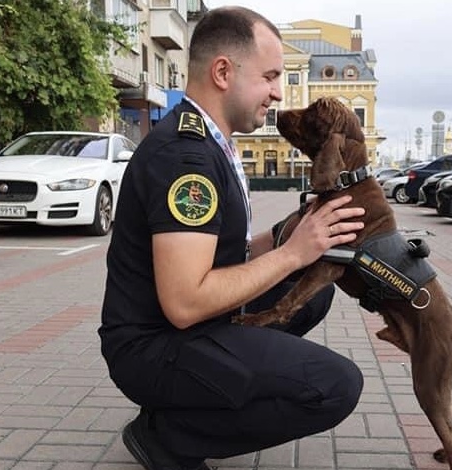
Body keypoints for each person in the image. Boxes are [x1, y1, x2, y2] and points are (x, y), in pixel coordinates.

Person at [98, 6, 366, 470]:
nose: (278, 93)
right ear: (224, 72)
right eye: (269, 76)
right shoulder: (187, 159)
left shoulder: (209, 143)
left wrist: (294, 235)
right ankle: (166, 438)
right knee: (334, 385)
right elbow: (185, 303)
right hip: (151, 347)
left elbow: (225, 252)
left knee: (310, 295)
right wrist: (290, 254)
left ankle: (190, 400)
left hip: (181, 329)